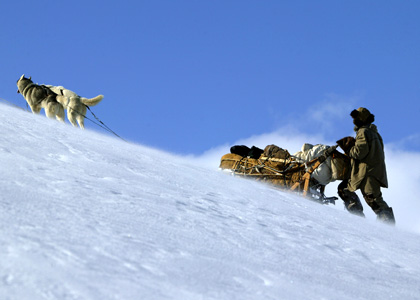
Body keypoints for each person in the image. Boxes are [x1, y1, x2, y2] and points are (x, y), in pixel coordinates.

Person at [336, 107, 395, 224]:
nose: (354, 120)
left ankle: (387, 226)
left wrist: (348, 148)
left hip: (367, 173)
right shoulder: (375, 133)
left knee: (374, 200)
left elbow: (359, 152)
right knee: (345, 189)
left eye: (356, 118)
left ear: (360, 119)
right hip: (372, 171)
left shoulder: (363, 132)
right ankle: (360, 219)